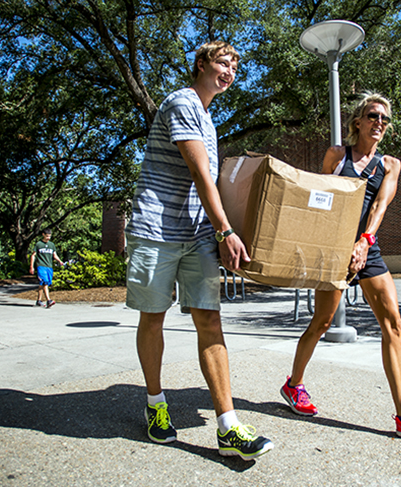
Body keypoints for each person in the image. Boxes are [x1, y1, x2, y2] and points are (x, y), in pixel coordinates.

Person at [125, 41, 273, 461]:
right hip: (157, 229)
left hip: (196, 233)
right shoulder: (182, 103)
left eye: (235, 67)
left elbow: (213, 181)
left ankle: (228, 426)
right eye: (223, 62)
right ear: (202, 64)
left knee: (210, 318)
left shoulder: (208, 119)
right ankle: (155, 404)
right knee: (152, 319)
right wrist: (226, 230)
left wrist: (224, 227)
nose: (229, 71)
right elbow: (197, 171)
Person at [280, 92, 401, 439]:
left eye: (385, 119)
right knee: (321, 322)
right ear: (358, 121)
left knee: (393, 323)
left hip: (367, 249)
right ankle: (293, 385)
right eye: (373, 116)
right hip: (333, 251)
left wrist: (364, 242)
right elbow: (323, 200)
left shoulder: (390, 165)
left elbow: (379, 206)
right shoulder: (336, 155)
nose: (379, 123)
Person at [29, 228, 65, 308]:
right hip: (41, 266)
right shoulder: (39, 244)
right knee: (45, 282)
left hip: (49, 266)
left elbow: (54, 255)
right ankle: (49, 300)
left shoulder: (51, 245)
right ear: (43, 235)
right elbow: (33, 255)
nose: (48, 238)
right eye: (47, 236)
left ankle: (39, 301)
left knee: (43, 284)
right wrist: (32, 267)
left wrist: (59, 261)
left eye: (49, 236)